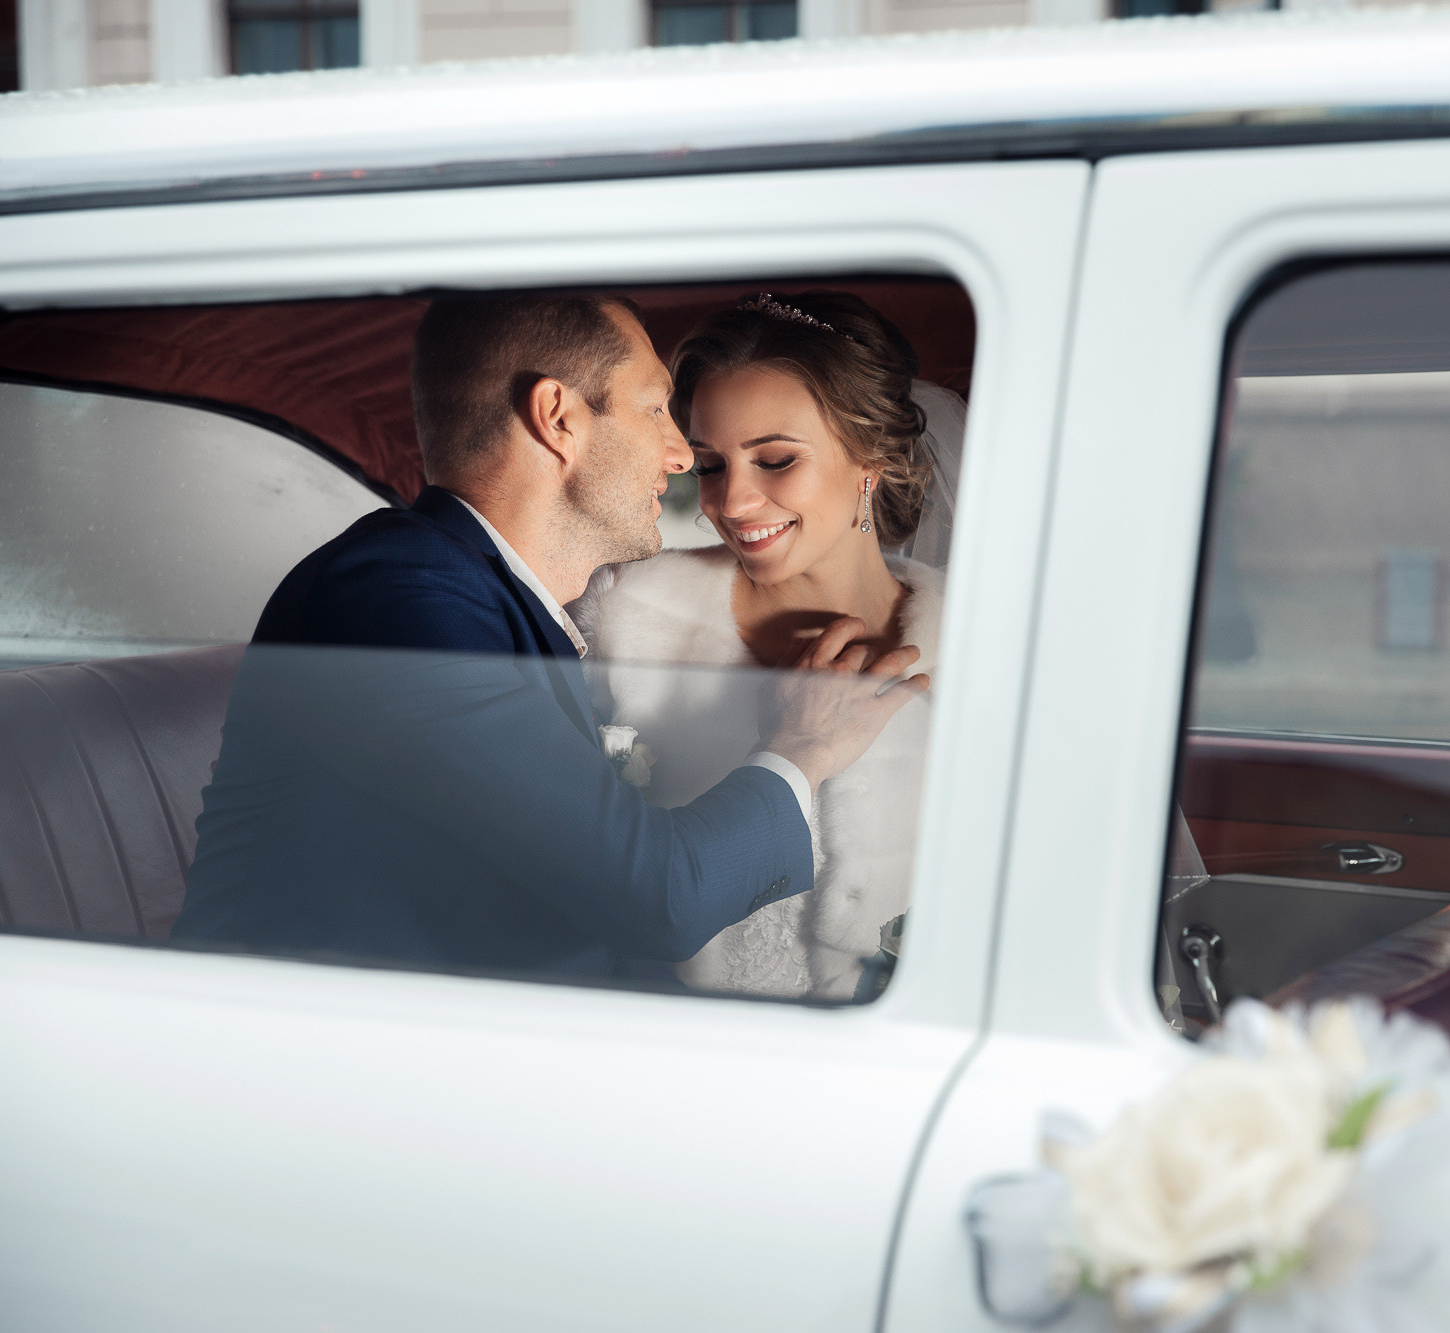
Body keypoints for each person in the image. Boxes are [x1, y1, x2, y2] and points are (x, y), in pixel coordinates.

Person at [172, 293, 927, 982]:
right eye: (657, 410)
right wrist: (806, 747)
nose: (680, 458)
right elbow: (656, 899)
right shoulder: (393, 595)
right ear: (559, 419)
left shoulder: (497, 604)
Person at [572, 292, 950, 1001]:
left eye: (774, 459)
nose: (732, 503)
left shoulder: (983, 640)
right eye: (710, 466)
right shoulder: (625, 617)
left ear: (870, 457)